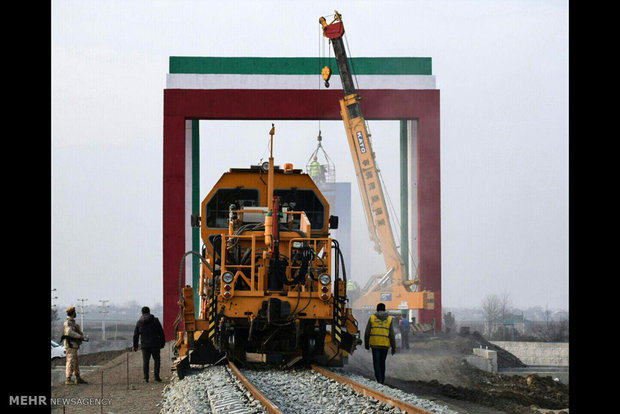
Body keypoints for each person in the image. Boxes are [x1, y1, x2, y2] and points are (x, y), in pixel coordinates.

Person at [364, 303, 396, 384]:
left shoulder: (372, 318)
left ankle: (379, 380)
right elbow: (391, 334)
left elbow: (367, 332)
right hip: (385, 345)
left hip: (375, 344)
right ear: (384, 309)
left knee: (376, 362)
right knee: (382, 362)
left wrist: (366, 344)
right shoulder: (389, 319)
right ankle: (382, 379)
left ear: (377, 309)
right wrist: (393, 347)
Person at [133, 306, 166, 383]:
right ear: (149, 312)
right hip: (155, 344)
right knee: (157, 360)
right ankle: (156, 377)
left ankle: (146, 378)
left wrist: (135, 346)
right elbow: (161, 332)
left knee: (146, 362)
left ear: (142, 312)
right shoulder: (155, 320)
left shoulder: (139, 322)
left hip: (145, 345)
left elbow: (136, 335)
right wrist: (162, 343)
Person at [62, 307, 88, 385]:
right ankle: (68, 379)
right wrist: (79, 336)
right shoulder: (69, 322)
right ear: (73, 313)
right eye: (75, 312)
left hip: (74, 344)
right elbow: (69, 332)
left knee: (75, 361)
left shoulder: (72, 322)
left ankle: (77, 377)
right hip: (70, 344)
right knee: (70, 361)